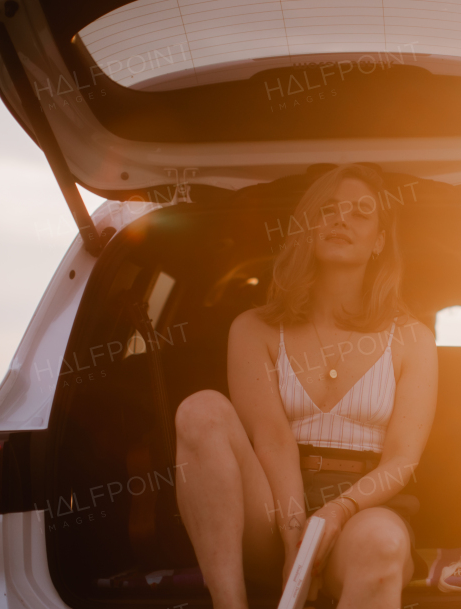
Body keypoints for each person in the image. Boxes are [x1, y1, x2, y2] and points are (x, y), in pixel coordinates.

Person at [173, 164, 438, 609]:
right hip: (272, 502)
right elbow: (272, 439)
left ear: (379, 241)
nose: (340, 220)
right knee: (202, 409)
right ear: (307, 229)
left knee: (384, 546)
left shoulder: (412, 338)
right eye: (328, 210)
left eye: (360, 213)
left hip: (363, 506)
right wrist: (296, 531)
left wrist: (336, 512)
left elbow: (402, 458)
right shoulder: (254, 329)